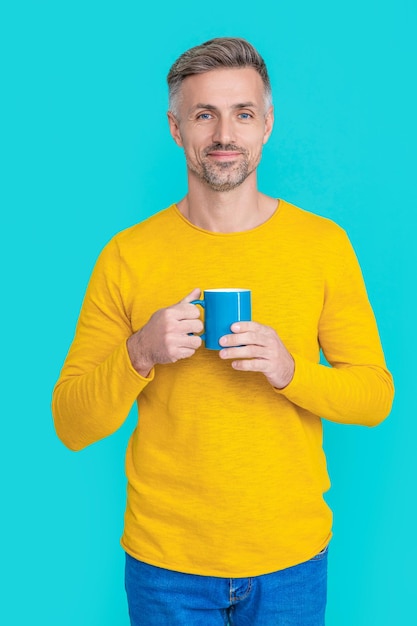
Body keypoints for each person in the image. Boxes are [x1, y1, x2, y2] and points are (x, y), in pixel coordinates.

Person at [52, 37, 394, 625]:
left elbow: (374, 396)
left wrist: (291, 372)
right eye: (204, 114)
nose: (223, 135)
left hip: (291, 563)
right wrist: (139, 352)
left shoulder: (323, 247)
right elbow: (71, 423)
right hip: (166, 568)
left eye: (242, 114)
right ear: (176, 127)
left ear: (266, 125)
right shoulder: (127, 257)